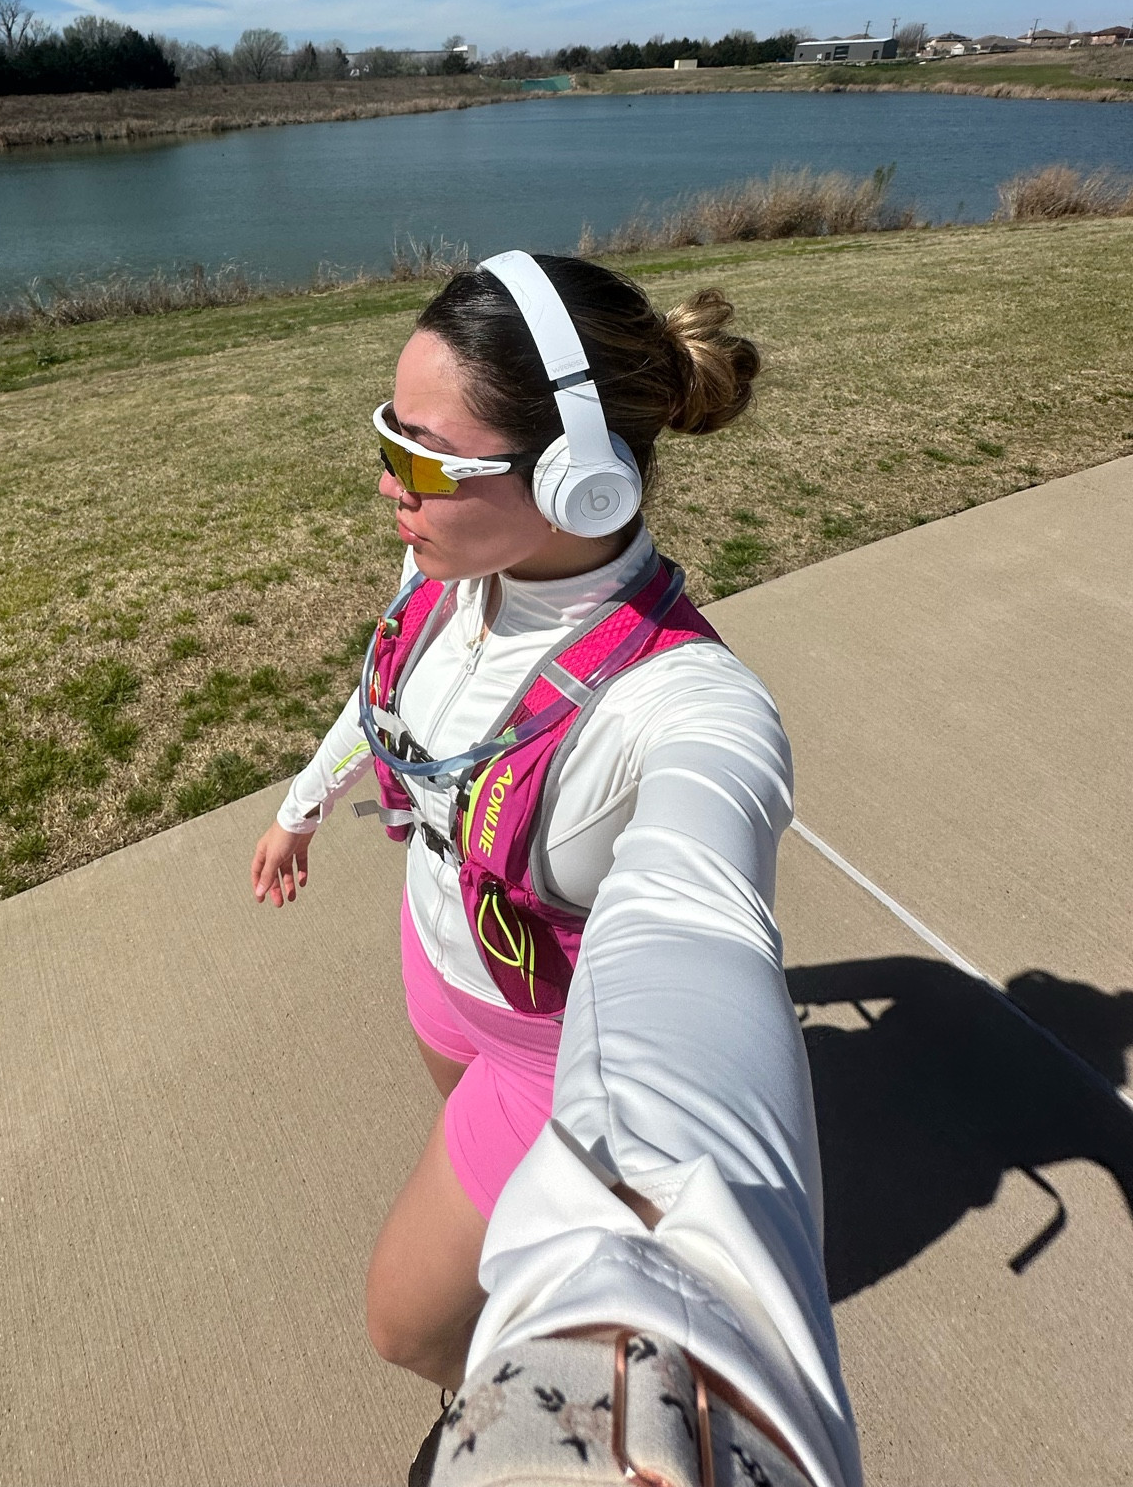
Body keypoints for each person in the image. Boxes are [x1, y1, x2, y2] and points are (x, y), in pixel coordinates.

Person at [250, 252, 860, 1487]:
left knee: (406, 1319)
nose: (387, 483)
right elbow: (380, 695)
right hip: (442, 974)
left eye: (424, 456)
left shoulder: (685, 708)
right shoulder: (448, 565)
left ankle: (486, 1390)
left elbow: (706, 929)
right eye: (387, 436)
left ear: (578, 480)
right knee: (466, 1203)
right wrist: (301, 803)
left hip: (544, 1044)